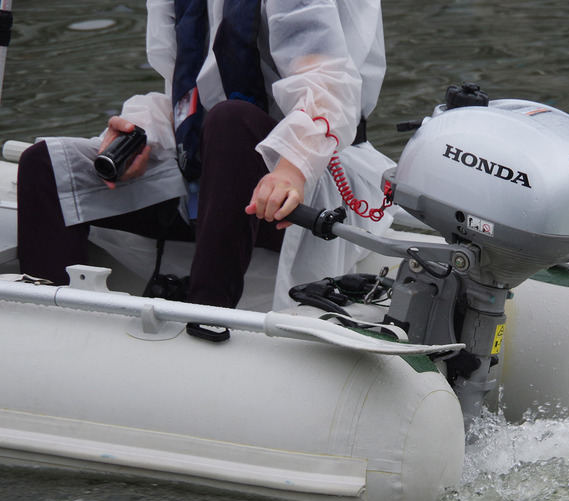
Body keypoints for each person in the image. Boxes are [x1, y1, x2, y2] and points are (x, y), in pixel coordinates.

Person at [16, 0, 394, 314]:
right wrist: (141, 133)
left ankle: (208, 314)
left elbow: (328, 83)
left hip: (311, 175)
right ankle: (50, 317)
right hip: (214, 163)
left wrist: (291, 168)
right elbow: (187, 92)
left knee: (232, 121)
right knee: (45, 165)